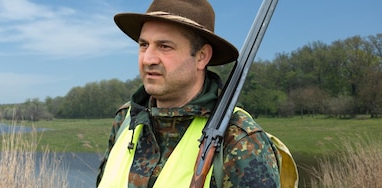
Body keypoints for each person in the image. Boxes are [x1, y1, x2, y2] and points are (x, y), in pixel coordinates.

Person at [96, 0, 282, 187]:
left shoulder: (239, 141)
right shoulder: (126, 120)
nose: (148, 59)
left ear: (201, 57)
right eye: (144, 45)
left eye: (164, 46)